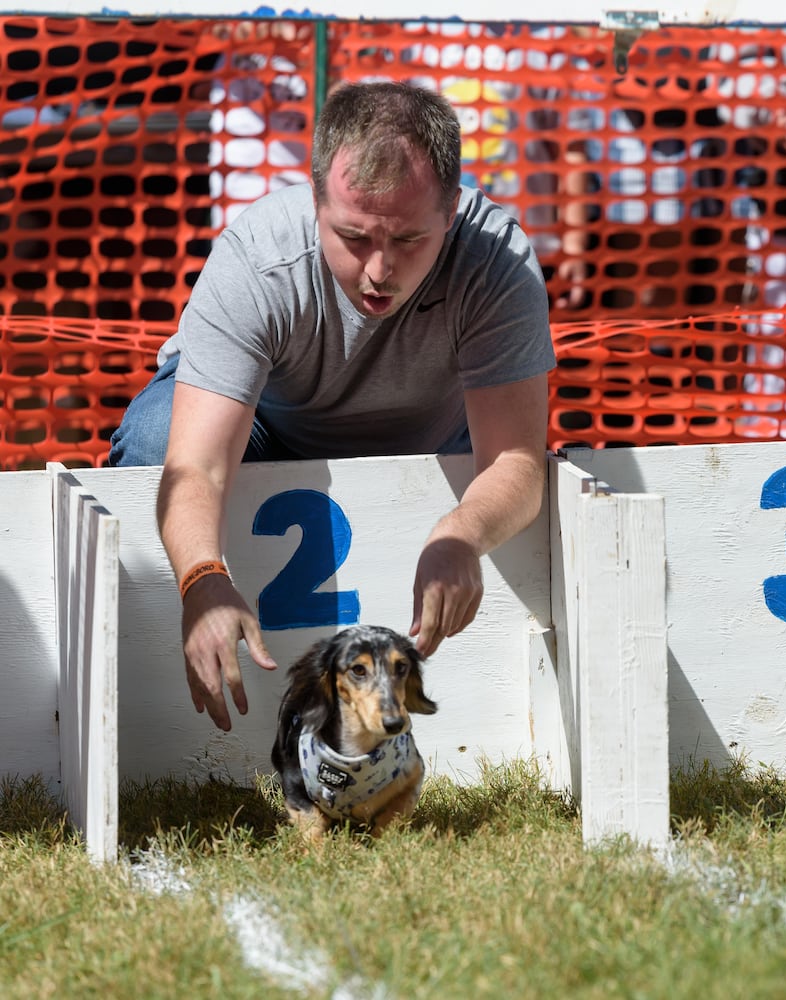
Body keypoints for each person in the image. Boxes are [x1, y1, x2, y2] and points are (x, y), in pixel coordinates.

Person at [107, 81, 555, 732]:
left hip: (430, 438)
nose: (379, 269)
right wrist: (203, 577)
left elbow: (517, 463)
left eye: (407, 240)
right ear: (316, 201)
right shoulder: (258, 259)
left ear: (452, 208)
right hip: (264, 425)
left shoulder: (497, 260)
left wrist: (463, 532)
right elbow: (195, 468)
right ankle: (146, 684)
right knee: (152, 439)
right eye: (354, 236)